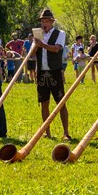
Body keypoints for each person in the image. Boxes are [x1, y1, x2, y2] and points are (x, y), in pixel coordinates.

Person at [33, 9, 70, 140]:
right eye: (42, 21)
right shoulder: (38, 35)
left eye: (46, 21)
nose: (44, 24)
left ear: (51, 22)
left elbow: (56, 49)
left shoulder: (60, 33)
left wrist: (41, 44)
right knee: (44, 102)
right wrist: (34, 45)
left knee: (61, 102)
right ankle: (47, 132)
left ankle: (66, 133)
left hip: (55, 71)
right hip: (42, 72)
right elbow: (31, 54)